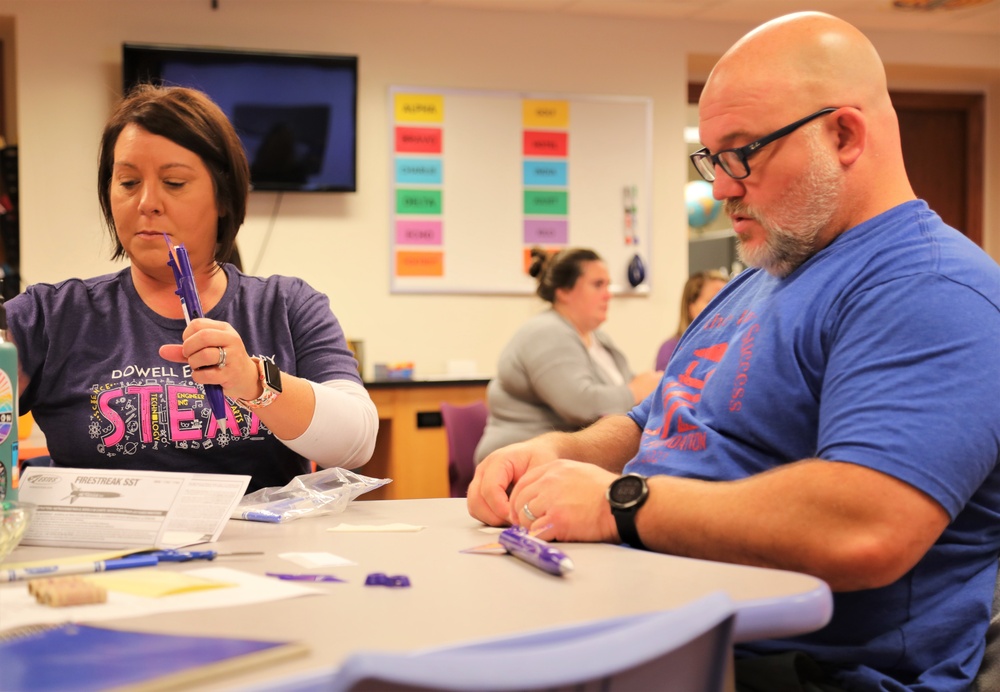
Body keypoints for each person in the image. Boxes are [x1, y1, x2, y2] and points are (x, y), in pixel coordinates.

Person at [467, 12, 1000, 692]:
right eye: (710, 157)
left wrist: (619, 504)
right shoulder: (762, 275)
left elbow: (865, 527)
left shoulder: (930, 287)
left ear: (843, 134)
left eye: (742, 152)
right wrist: (562, 454)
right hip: (657, 620)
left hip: (790, 670)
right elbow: (650, 421)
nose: (720, 188)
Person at [6, 85, 378, 492]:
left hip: (258, 550)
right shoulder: (49, 315)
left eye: (175, 183)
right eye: (128, 182)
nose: (147, 202)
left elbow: (356, 443)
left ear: (223, 197)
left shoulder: (287, 306)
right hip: (106, 549)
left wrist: (254, 383)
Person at [474, 247, 661, 464]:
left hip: (566, 460)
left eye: (608, 285)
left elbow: (628, 391)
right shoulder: (545, 332)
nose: (608, 294)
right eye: (598, 285)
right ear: (563, 291)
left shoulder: (597, 338)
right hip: (520, 462)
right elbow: (580, 405)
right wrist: (635, 391)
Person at [654, 269, 728, 370]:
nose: (724, 307)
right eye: (713, 301)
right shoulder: (671, 350)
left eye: (728, 300)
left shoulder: (739, 346)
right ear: (691, 308)